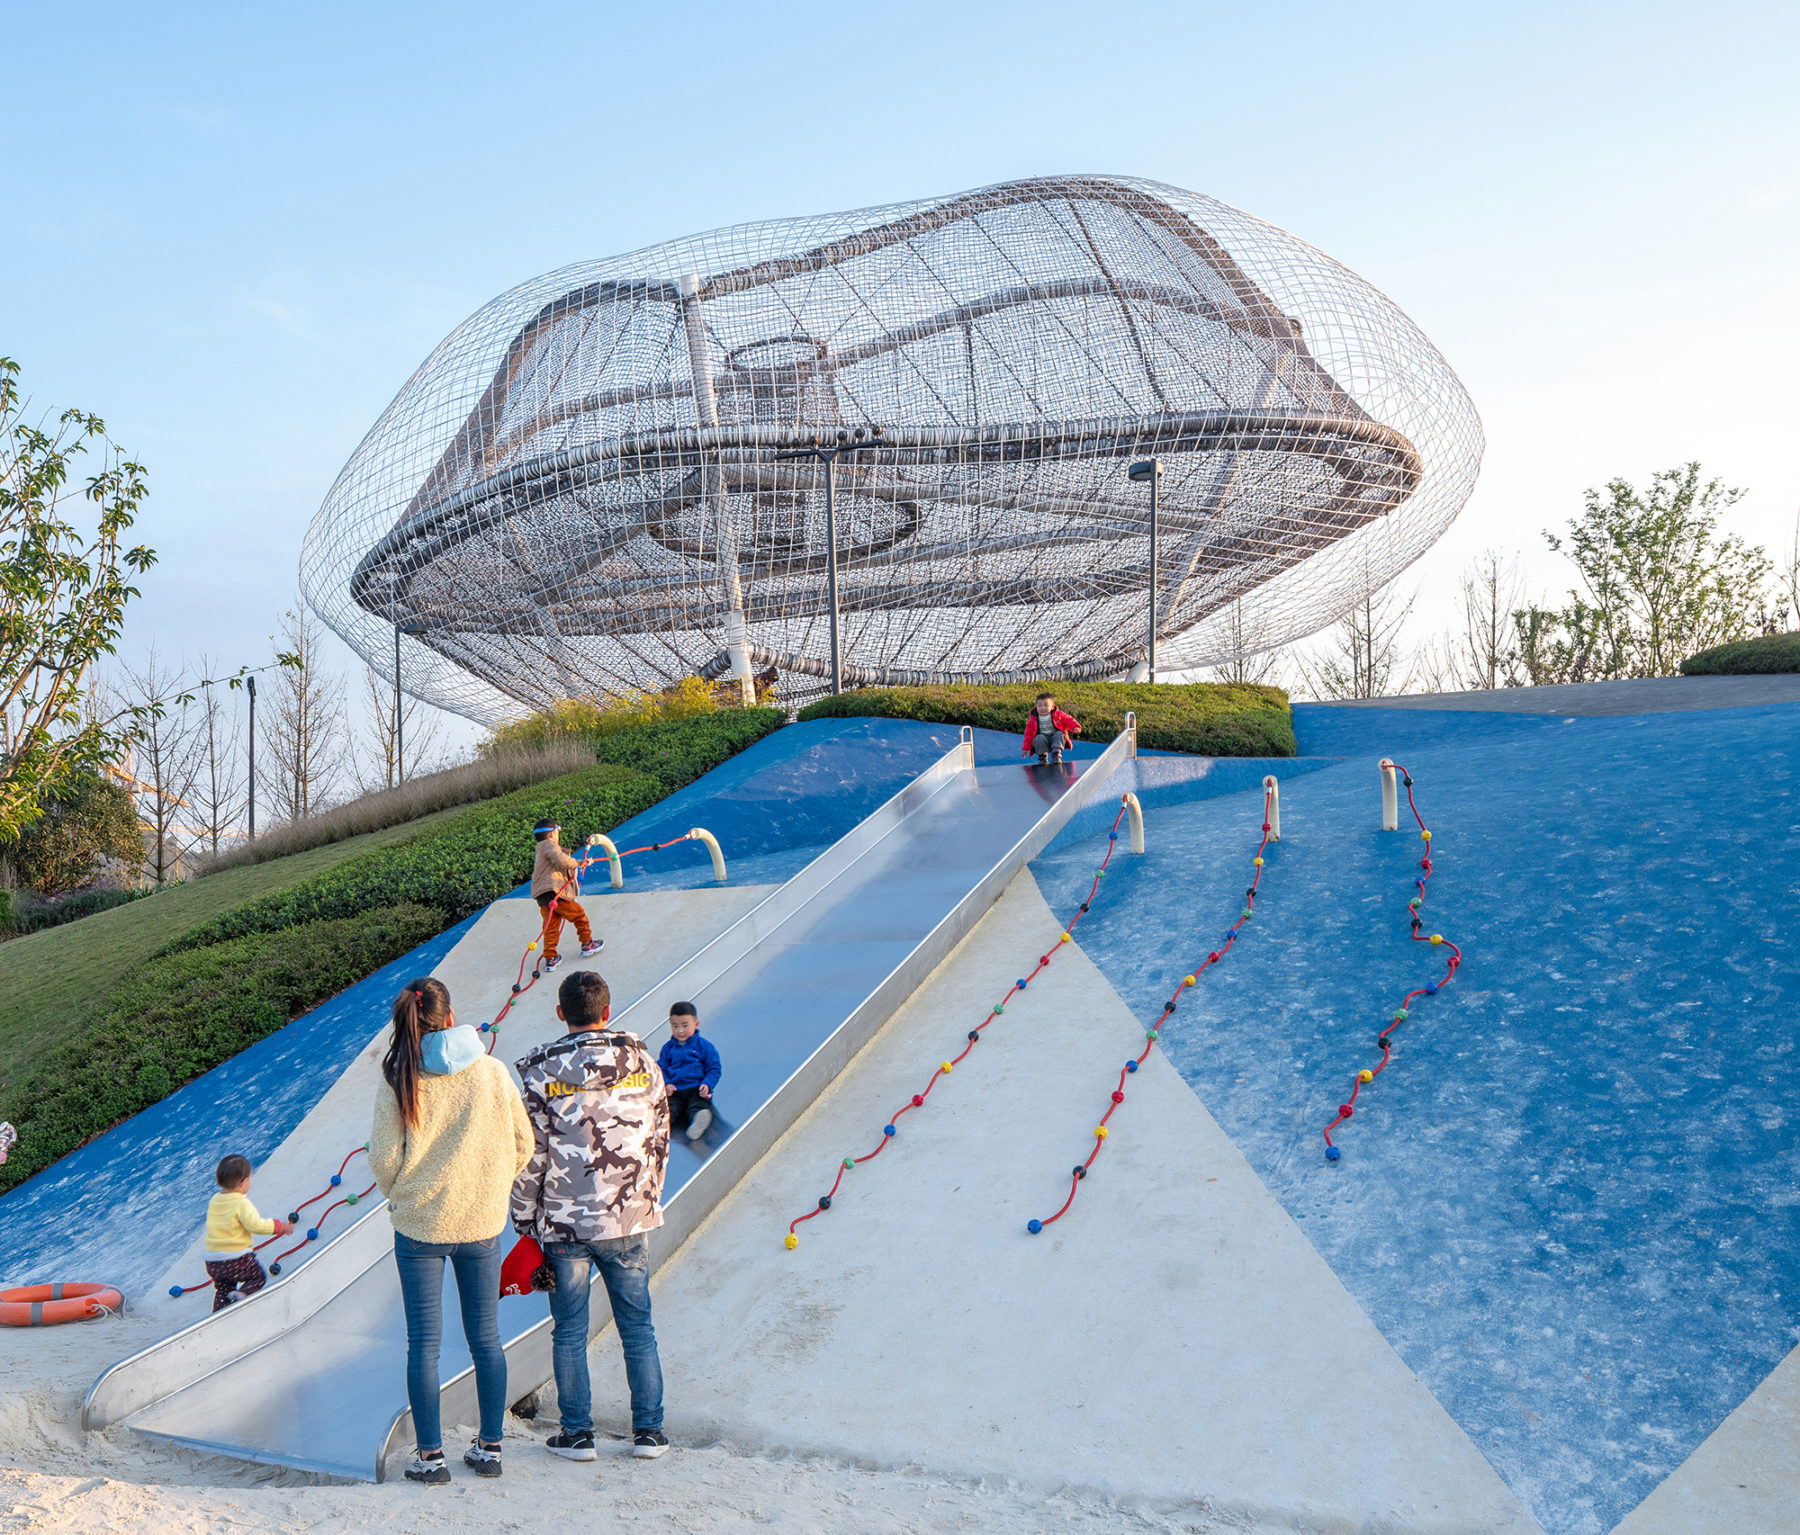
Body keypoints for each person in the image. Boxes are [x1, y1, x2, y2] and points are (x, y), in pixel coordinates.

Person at [370, 977, 535, 1485]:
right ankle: (489, 1449)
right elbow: (523, 1143)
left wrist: (402, 1192)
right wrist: (489, 1185)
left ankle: (431, 1457)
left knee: (424, 1344)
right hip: (482, 1224)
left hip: (420, 1224)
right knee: (486, 1340)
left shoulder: (399, 1077)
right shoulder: (490, 1071)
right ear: (450, 1015)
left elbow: (382, 1159)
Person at [513, 970, 672, 1463]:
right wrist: (647, 1196)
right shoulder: (643, 1060)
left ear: (561, 1013)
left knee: (569, 1331)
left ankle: (578, 1435)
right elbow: (660, 1137)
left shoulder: (539, 1073)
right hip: (629, 1217)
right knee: (638, 1327)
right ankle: (649, 1434)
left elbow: (531, 1155)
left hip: (564, 1224)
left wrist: (522, 1217)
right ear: (608, 1009)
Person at [202, 1154, 294, 1313]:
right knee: (258, 1277)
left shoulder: (215, 1200)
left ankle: (218, 1316)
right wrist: (280, 1227)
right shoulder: (241, 1203)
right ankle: (241, 1295)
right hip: (236, 1259)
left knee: (223, 1289)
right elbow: (256, 1225)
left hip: (212, 1262)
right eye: (250, 1179)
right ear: (243, 1182)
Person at [531, 820, 604, 972]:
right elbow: (560, 859)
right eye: (557, 832)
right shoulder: (549, 845)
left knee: (551, 926)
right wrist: (579, 863)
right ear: (552, 834)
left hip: (542, 896)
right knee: (579, 915)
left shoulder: (539, 849)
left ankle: (550, 958)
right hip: (555, 891)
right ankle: (587, 944)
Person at [657, 1002, 721, 1142]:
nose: (680, 1030)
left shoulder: (704, 1047)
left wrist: (707, 1084)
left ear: (696, 1025)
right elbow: (660, 1069)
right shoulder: (667, 1048)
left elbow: (714, 1068)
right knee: (669, 1108)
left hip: (696, 1088)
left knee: (698, 1104)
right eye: (675, 1026)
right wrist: (666, 1084)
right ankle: (661, 1125)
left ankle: (700, 1120)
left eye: (685, 1025)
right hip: (675, 1090)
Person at [1022, 692, 1082, 765]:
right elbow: (1028, 735)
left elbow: (1068, 719)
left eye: (1046, 705)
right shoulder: (1033, 720)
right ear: (1036, 706)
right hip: (1043, 742)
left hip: (1055, 741)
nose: (1042, 708)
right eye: (1040, 706)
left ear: (1052, 707)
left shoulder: (1058, 715)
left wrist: (1075, 726)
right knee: (1039, 738)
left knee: (1059, 734)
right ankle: (1042, 757)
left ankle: (1056, 755)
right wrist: (1025, 749)